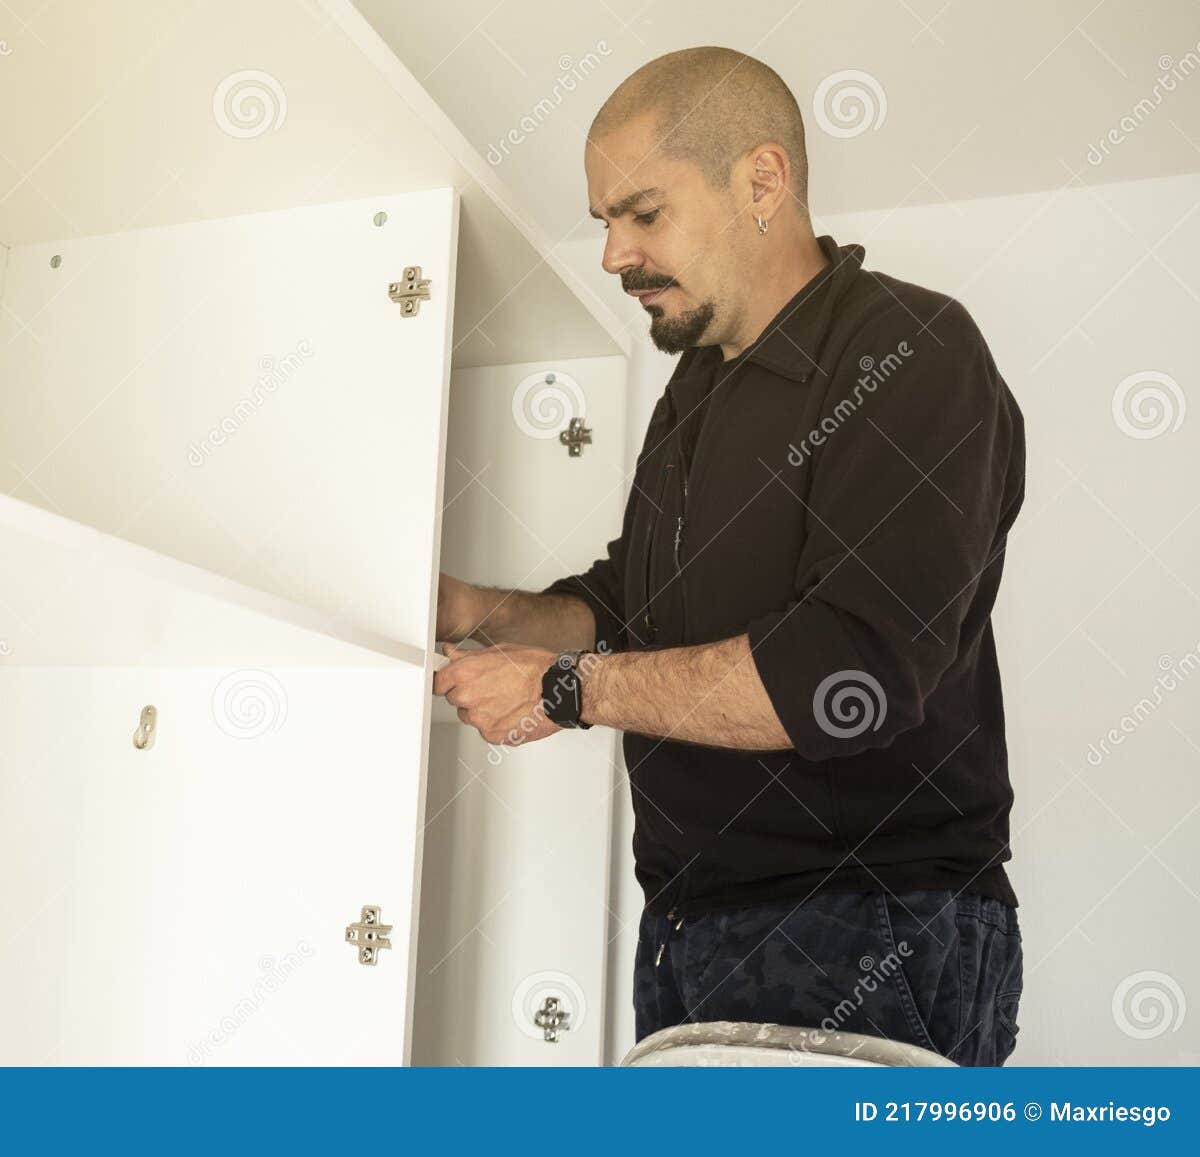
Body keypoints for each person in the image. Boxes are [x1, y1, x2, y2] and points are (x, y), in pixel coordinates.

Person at [432, 46, 1026, 1066]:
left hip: (865, 918)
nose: (612, 254)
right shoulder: (696, 390)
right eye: (604, 221)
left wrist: (566, 689)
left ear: (762, 181)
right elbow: (631, 607)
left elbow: (848, 674)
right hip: (685, 924)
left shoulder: (908, 348)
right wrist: (474, 609)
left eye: (642, 213)